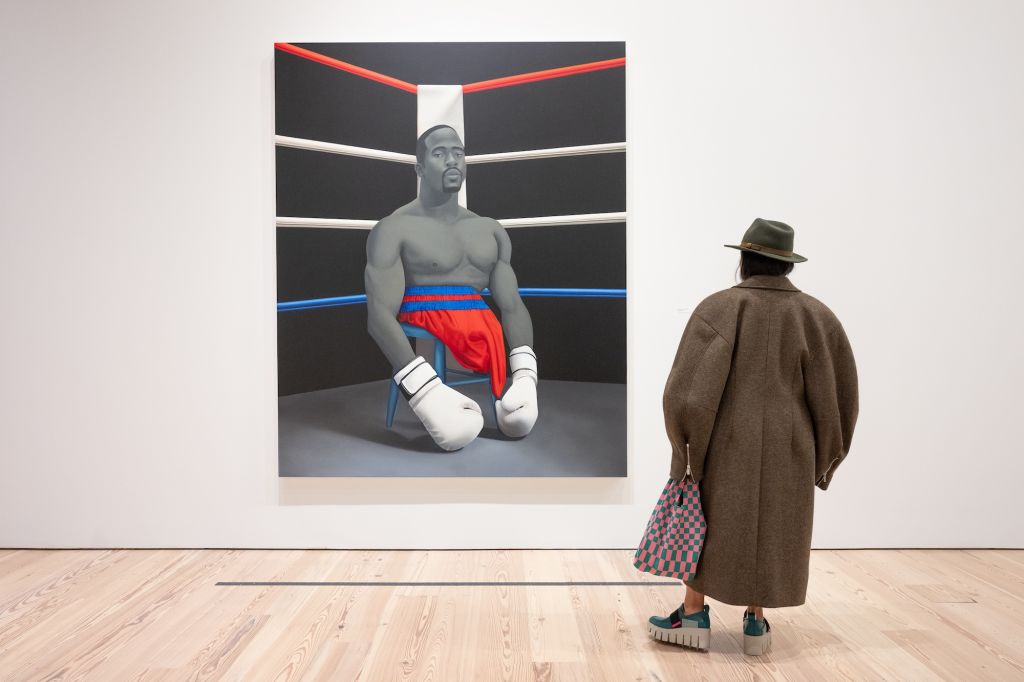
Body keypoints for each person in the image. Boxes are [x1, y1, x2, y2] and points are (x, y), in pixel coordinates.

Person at [645, 218, 859, 655]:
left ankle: (693, 613)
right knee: (772, 526)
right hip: (792, 446)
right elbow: (838, 398)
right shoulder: (818, 317)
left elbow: (687, 393)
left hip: (724, 442)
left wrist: (686, 453)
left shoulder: (718, 308)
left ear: (744, 260)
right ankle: (756, 622)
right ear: (788, 265)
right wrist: (825, 460)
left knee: (705, 523)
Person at [364, 124, 539, 451]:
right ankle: (432, 391)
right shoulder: (393, 228)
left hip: (482, 322)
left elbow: (511, 304)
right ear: (419, 168)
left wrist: (526, 376)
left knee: (519, 420)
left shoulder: (489, 229)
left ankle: (513, 393)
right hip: (424, 314)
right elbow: (378, 315)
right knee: (455, 429)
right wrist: (424, 391)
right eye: (440, 153)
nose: (452, 160)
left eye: (458, 153)